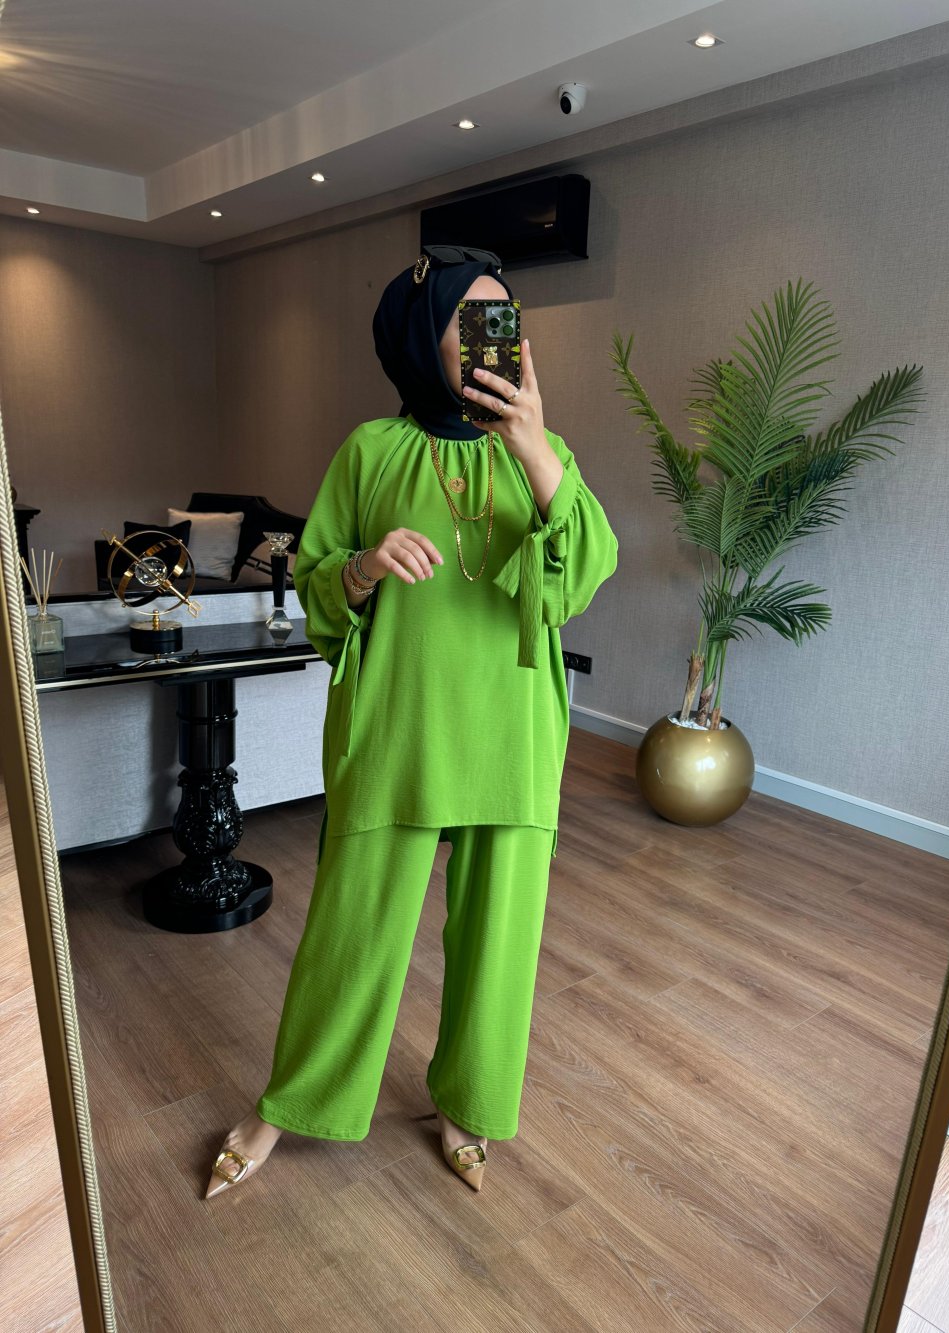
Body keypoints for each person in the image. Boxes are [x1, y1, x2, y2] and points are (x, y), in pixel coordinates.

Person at [205, 244, 618, 1199]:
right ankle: (289, 1103)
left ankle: (469, 1101)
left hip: (512, 725)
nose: (492, 338)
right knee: (354, 924)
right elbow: (317, 584)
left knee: (499, 939)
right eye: (471, 319)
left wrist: (534, 447)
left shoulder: (545, 452)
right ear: (422, 334)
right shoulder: (371, 450)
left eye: (504, 319)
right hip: (398, 720)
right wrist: (363, 567)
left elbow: (584, 574)